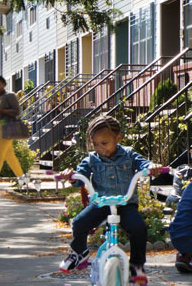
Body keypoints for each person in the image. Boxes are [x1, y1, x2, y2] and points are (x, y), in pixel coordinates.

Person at [62, 115, 151, 277]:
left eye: (104, 143)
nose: (100, 148)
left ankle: (137, 266)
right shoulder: (91, 159)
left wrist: (153, 167)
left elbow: (144, 164)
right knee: (79, 223)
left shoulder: (129, 154)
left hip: (125, 204)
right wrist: (71, 176)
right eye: (95, 144)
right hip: (101, 204)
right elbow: (78, 177)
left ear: (118, 137)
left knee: (139, 228)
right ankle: (80, 253)